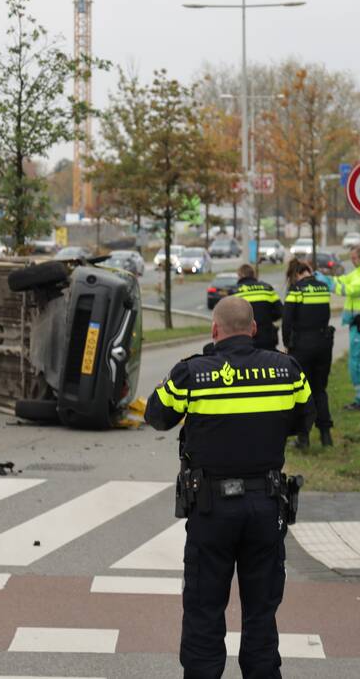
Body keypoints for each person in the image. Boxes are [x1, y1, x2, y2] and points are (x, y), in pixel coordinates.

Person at [145, 296, 314, 679]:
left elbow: (157, 416)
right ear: (254, 329)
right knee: (261, 611)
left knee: (204, 608)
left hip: (211, 509)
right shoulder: (286, 369)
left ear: (214, 330)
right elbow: (305, 418)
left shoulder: (192, 373)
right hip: (266, 505)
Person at [316, 245, 360, 411]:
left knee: (356, 361)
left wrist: (328, 284)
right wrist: (327, 278)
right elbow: (344, 280)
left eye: (354, 258)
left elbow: (349, 289)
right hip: (357, 321)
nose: (352, 261)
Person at [283, 258, 335, 447]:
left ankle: (303, 437)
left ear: (296, 274)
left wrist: (286, 343)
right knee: (320, 389)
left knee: (301, 391)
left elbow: (287, 320)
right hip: (324, 344)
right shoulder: (323, 287)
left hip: (302, 346)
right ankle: (326, 435)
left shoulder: (296, 290)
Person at [229, 263, 283, 350]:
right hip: (266, 339)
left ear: (241, 275)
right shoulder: (267, 288)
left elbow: (229, 318)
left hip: (244, 340)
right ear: (253, 274)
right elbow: (280, 311)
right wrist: (267, 318)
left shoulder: (234, 292)